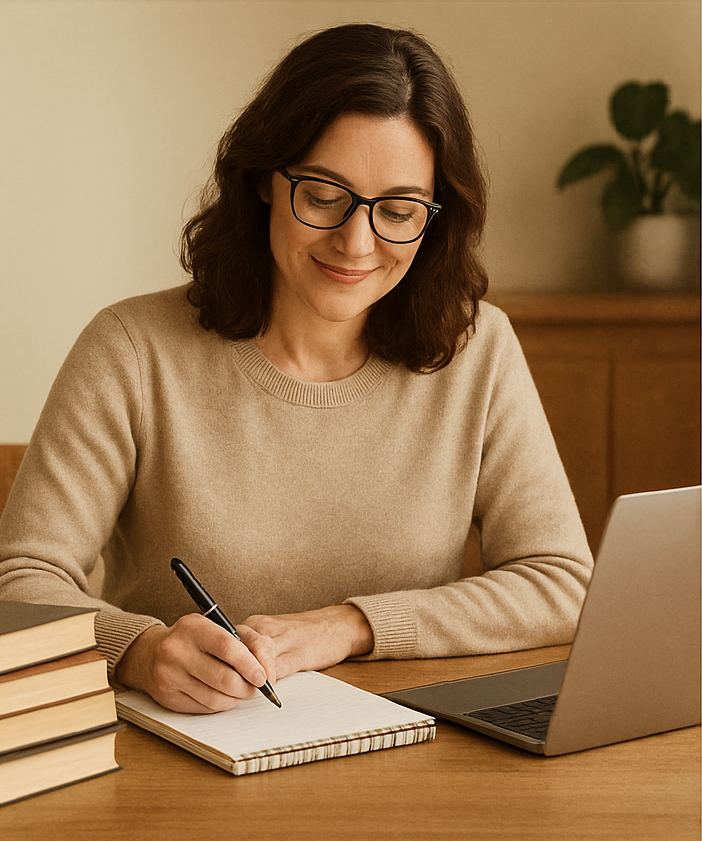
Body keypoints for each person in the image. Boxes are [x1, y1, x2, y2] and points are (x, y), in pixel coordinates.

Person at [0, 23, 592, 714]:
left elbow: (559, 582)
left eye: (398, 210)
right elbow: (19, 583)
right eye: (323, 196)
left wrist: (348, 626)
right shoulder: (131, 349)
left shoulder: (477, 349)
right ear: (262, 179)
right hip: (184, 760)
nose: (356, 240)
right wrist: (136, 649)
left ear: (435, 218)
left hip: (405, 757)